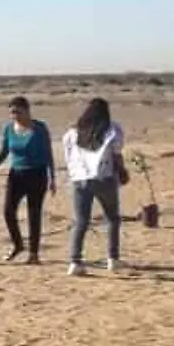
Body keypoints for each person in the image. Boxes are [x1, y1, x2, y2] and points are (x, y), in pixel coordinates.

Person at [0, 96, 56, 263]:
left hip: (37, 174)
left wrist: (53, 178)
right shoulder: (9, 129)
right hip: (16, 174)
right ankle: (18, 244)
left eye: (18, 112)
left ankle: (33, 254)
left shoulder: (40, 128)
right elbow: (4, 152)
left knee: (33, 213)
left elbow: (48, 153)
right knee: (8, 211)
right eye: (12, 113)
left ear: (27, 110)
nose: (15, 116)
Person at [62, 98, 127, 275]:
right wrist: (121, 170)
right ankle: (113, 258)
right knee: (112, 218)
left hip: (79, 179)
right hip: (104, 177)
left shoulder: (73, 132)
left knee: (81, 221)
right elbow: (117, 152)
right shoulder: (112, 129)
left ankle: (75, 261)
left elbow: (68, 154)